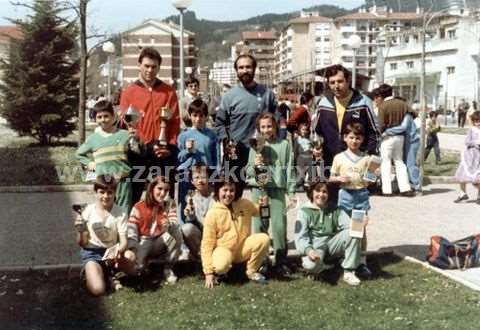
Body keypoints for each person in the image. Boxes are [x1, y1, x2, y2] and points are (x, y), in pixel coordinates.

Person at [119, 47, 180, 203]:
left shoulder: (168, 92)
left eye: (154, 67)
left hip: (163, 152)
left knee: (164, 196)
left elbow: (174, 122)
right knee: (133, 195)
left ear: (159, 67)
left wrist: (169, 146)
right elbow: (126, 124)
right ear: (139, 65)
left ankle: (165, 226)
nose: (150, 70)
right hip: (138, 152)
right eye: (146, 66)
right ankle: (131, 226)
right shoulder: (129, 92)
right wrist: (139, 144)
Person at [215, 54, 277, 199]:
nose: (245, 70)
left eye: (248, 67)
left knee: (263, 192)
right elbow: (219, 123)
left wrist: (277, 142)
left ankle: (260, 221)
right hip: (236, 153)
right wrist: (226, 140)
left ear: (254, 69)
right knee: (232, 194)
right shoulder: (229, 97)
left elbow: (277, 122)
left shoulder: (268, 95)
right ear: (236, 70)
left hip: (262, 152)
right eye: (241, 67)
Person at [247, 112, 296, 276]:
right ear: (258, 129)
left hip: (277, 191)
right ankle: (262, 261)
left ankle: (281, 262)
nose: (266, 129)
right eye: (263, 127)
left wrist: (291, 190)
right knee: (260, 225)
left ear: (275, 126)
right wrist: (255, 165)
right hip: (259, 191)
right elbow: (247, 171)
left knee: (279, 227)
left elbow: (290, 168)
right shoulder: (255, 145)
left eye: (269, 126)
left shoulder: (284, 145)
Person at [201, 178, 270, 288]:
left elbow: (262, 214)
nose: (228, 194)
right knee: (220, 266)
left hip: (241, 248)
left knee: (264, 239)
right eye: (225, 190)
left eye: (232, 190)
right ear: (218, 191)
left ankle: (251, 271)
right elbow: (206, 244)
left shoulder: (244, 203)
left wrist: (265, 206)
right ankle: (222, 273)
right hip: (223, 250)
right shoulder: (212, 214)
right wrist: (208, 272)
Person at [74, 175, 136, 296]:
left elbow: (124, 242)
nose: (106, 196)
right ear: (96, 192)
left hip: (111, 251)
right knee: (98, 290)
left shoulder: (121, 211)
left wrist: (116, 252)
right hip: (92, 252)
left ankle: (109, 272)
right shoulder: (87, 211)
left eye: (109, 192)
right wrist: (81, 231)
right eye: (102, 192)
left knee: (131, 259)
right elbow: (82, 243)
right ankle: (92, 272)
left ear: (114, 192)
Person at [329, 123, 377, 277]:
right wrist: (338, 178)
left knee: (359, 229)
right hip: (345, 196)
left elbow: (369, 182)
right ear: (345, 138)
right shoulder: (339, 157)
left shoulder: (366, 158)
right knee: (346, 229)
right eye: (351, 137)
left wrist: (374, 174)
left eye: (358, 137)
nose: (354, 141)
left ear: (362, 139)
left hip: (360, 196)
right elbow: (330, 177)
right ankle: (345, 258)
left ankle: (361, 261)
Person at [294, 179, 363, 286]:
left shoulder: (335, 209)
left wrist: (360, 224)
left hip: (331, 246)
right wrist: (309, 251)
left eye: (324, 192)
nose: (321, 195)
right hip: (315, 248)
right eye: (317, 191)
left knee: (354, 231)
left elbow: (349, 225)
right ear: (311, 192)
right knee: (311, 266)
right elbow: (300, 237)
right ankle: (324, 266)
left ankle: (349, 271)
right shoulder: (304, 211)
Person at [314, 64, 379, 171]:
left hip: (358, 162)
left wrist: (372, 159)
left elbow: (375, 132)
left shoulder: (363, 102)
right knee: (330, 186)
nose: (336, 86)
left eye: (340, 81)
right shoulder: (323, 103)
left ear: (348, 81)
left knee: (360, 187)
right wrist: (316, 148)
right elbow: (317, 132)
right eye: (332, 82)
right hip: (331, 162)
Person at [76, 100, 133, 211]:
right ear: (95, 119)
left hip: (122, 181)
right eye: (99, 117)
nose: (103, 120)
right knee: (104, 212)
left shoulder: (124, 134)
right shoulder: (93, 139)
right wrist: (91, 164)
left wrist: (136, 139)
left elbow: (138, 151)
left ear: (113, 116)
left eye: (106, 116)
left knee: (123, 212)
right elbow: (79, 154)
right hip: (103, 183)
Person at [127, 176, 183, 283]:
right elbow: (132, 230)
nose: (163, 193)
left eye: (166, 190)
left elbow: (174, 221)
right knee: (136, 271)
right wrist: (133, 249)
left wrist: (169, 224)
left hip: (160, 240)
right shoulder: (139, 206)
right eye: (160, 189)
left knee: (176, 232)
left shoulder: (170, 203)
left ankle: (168, 268)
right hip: (143, 242)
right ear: (152, 188)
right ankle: (143, 264)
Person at [177, 99, 218, 224]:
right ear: (190, 116)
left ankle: (205, 230)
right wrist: (187, 151)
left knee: (205, 204)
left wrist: (215, 174)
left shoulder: (211, 135)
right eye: (195, 115)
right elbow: (179, 158)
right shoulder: (183, 135)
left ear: (206, 116)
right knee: (186, 202)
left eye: (201, 115)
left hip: (205, 175)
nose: (198, 119)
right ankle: (184, 230)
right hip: (187, 174)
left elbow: (215, 157)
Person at [375, 84, 412, 196]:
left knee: (385, 162)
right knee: (399, 161)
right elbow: (413, 113)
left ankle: (387, 190)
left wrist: (380, 134)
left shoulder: (383, 106)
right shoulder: (402, 104)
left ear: (381, 95)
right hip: (400, 136)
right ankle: (405, 188)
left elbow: (381, 125)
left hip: (387, 136)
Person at [383, 107, 421, 193]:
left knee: (410, 164)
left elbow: (402, 128)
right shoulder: (403, 116)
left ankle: (417, 186)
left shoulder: (407, 116)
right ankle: (405, 186)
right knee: (403, 163)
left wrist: (387, 131)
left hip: (412, 141)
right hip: (407, 141)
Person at [181, 163, 215, 257]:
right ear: (192, 181)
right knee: (186, 228)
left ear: (209, 178)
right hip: (202, 232)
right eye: (196, 178)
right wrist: (190, 214)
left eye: (203, 177)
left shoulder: (216, 194)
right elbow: (191, 220)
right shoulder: (191, 197)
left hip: (216, 232)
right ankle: (200, 256)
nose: (200, 181)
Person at [453, 111, 480, 203]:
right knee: (462, 173)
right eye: (476, 120)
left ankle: (479, 196)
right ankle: (463, 193)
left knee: (478, 176)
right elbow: (467, 141)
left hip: (478, 157)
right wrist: (475, 143)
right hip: (469, 156)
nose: (478, 123)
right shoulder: (471, 130)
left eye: (479, 120)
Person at [294, 122, 313, 190]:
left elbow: (313, 148)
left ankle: (310, 185)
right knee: (300, 172)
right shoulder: (297, 139)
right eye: (303, 129)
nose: (304, 131)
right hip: (300, 157)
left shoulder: (310, 140)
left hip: (309, 157)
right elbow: (295, 150)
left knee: (311, 172)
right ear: (299, 130)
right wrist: (295, 159)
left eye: (306, 130)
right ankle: (300, 185)